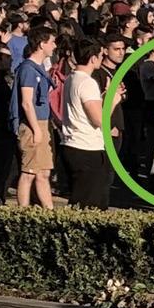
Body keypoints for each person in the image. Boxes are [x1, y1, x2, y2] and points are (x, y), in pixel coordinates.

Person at [59, 39, 110, 207]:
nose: (102, 59)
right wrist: (113, 100)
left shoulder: (71, 78)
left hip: (71, 143)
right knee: (90, 202)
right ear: (93, 58)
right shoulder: (87, 82)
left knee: (80, 198)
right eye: (101, 55)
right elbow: (99, 119)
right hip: (87, 147)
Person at [11, 26, 58, 208]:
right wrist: (36, 130)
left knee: (43, 171)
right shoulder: (28, 69)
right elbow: (27, 102)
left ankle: (49, 210)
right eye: (51, 42)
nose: (54, 46)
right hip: (33, 124)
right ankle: (22, 210)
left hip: (42, 121)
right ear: (41, 44)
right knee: (29, 172)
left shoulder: (39, 68)